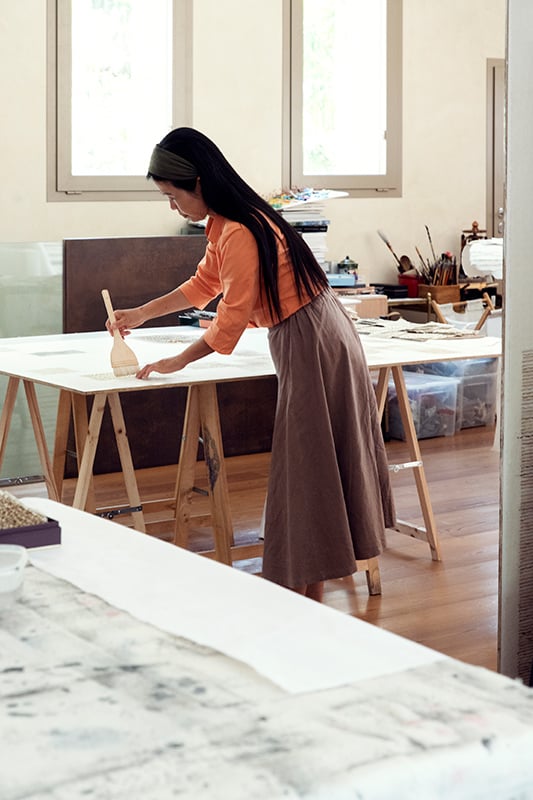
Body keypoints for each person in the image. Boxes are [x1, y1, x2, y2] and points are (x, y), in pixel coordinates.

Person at [109, 127, 395, 602]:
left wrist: (178, 360)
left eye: (172, 196)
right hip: (308, 332)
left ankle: (308, 591)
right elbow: (204, 284)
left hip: (312, 337)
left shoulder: (240, 229)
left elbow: (230, 320)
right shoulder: (226, 223)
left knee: (309, 462)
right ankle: (308, 585)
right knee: (312, 460)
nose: (172, 208)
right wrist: (140, 313)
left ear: (196, 182)